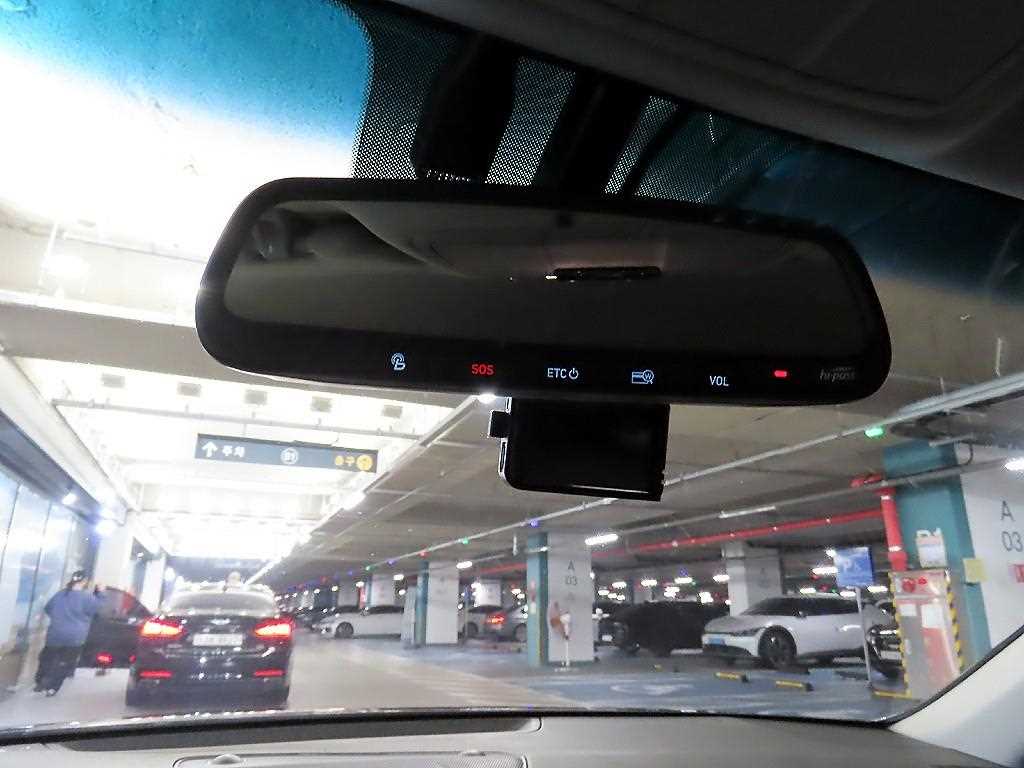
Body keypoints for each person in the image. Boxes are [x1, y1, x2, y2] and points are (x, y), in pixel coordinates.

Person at [34, 570, 103, 696]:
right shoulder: (87, 597)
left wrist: (59, 618)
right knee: (64, 663)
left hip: (55, 634)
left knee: (47, 659)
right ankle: (53, 688)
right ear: (85, 582)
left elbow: (48, 608)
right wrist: (100, 593)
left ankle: (40, 682)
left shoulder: (60, 594)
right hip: (74, 637)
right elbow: (97, 608)